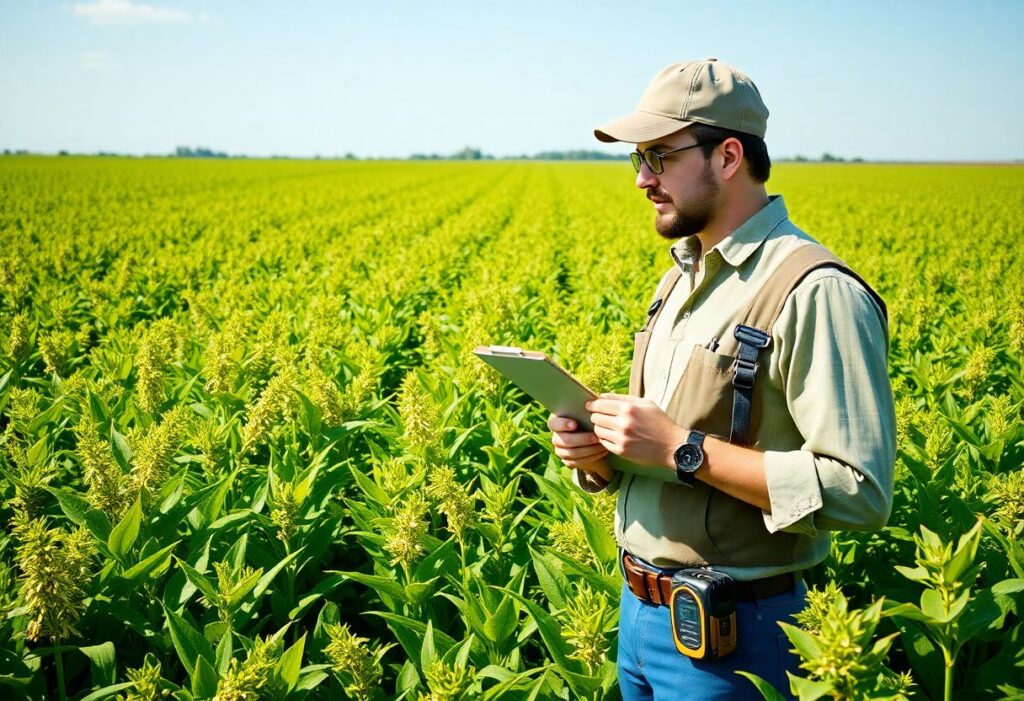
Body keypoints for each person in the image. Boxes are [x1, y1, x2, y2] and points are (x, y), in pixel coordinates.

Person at [548, 58, 896, 700]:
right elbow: (667, 442)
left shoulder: (814, 290)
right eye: (638, 160)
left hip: (740, 635)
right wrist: (599, 455)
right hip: (639, 619)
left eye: (658, 156)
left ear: (728, 155)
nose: (643, 180)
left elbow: (861, 491)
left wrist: (684, 449)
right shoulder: (682, 275)